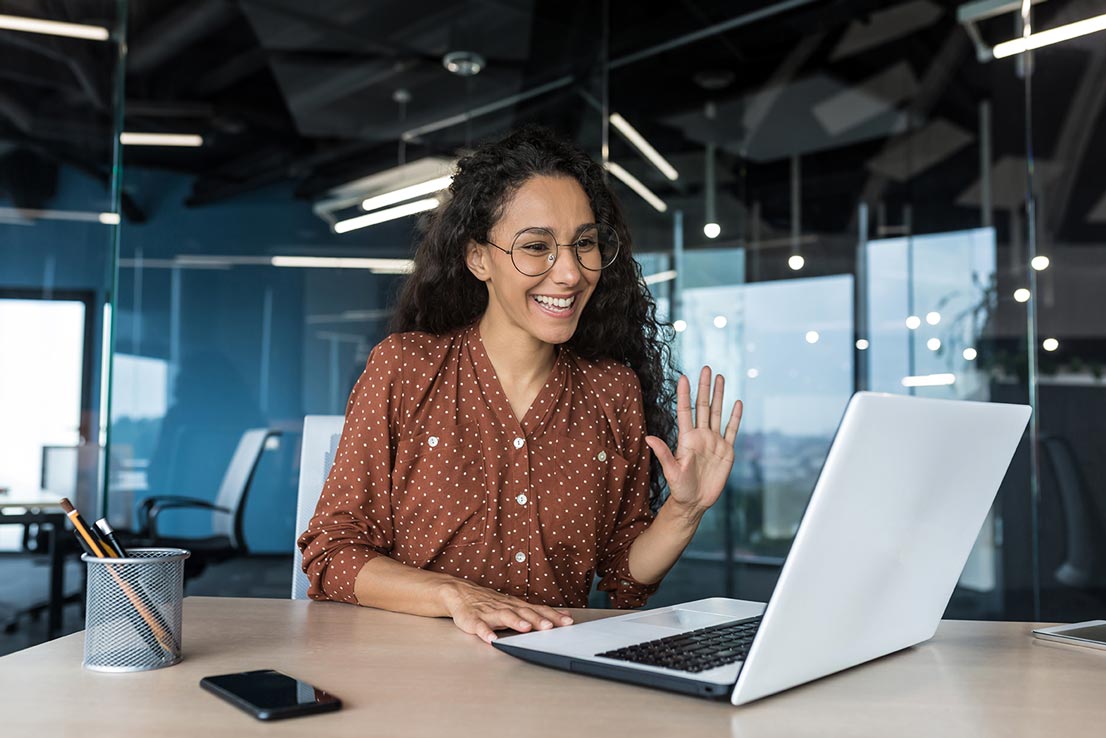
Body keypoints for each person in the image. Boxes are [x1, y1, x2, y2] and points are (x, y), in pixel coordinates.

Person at [298, 126, 742, 644]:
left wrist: (684, 511)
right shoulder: (405, 367)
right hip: (409, 673)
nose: (571, 273)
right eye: (537, 247)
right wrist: (451, 596)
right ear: (478, 257)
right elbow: (332, 553)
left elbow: (624, 574)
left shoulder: (611, 391)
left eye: (584, 244)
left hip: (550, 675)